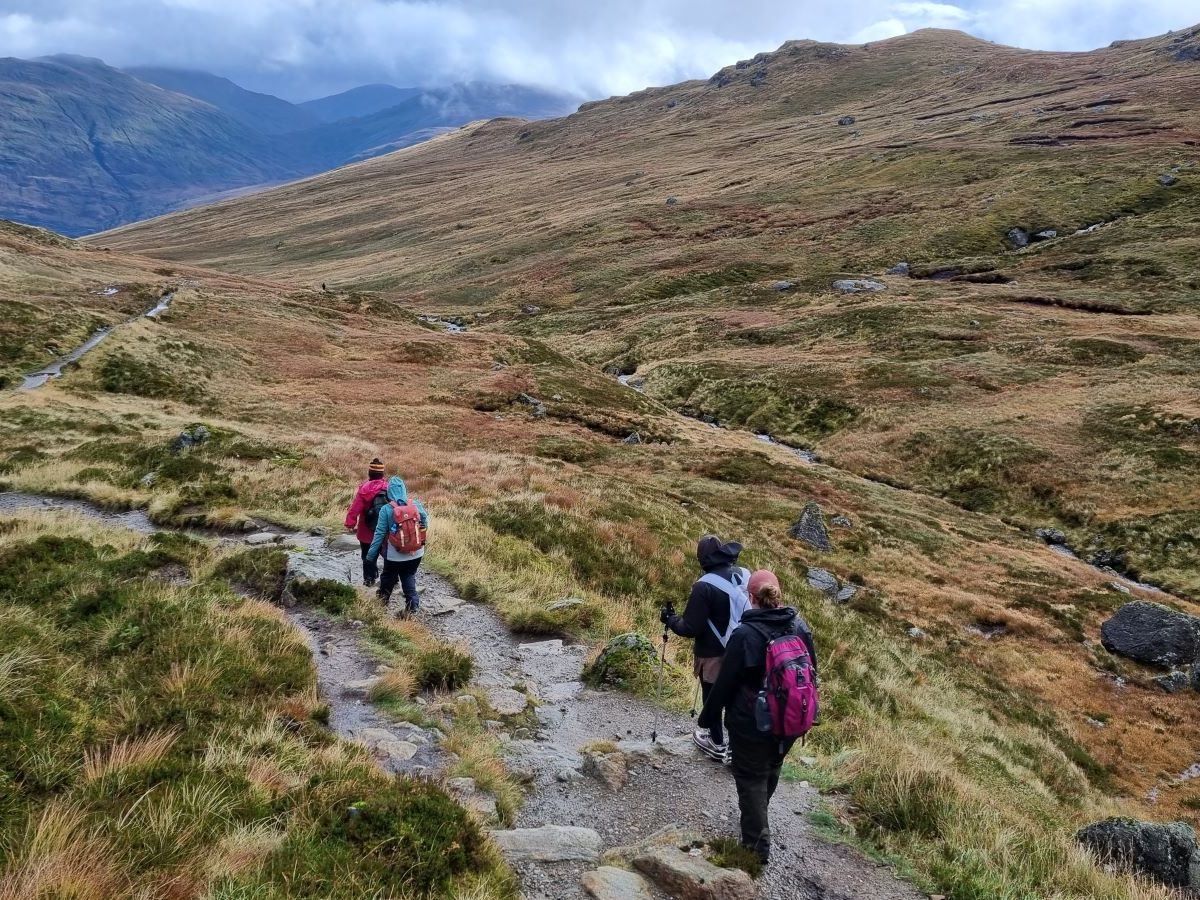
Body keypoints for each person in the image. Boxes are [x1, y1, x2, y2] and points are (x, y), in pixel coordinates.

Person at [699, 569, 818, 865]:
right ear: (778, 594)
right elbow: (812, 670)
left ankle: (755, 845)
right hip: (791, 717)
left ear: (750, 597)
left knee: (750, 775)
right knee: (772, 765)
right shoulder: (799, 626)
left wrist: (709, 716)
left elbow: (725, 682)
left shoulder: (745, 634)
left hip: (751, 719)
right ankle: (759, 816)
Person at [661, 534, 750, 761]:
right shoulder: (744, 575)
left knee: (712, 698)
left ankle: (716, 742)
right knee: (736, 699)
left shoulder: (704, 586)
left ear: (702, 559)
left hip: (714, 653)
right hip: (746, 649)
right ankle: (737, 748)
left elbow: (691, 627)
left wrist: (670, 620)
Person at [366, 475, 429, 615]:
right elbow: (425, 520)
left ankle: (381, 605)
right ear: (404, 490)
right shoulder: (416, 504)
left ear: (389, 492)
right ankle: (412, 606)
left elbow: (379, 534)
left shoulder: (386, 510)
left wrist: (371, 555)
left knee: (388, 577)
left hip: (395, 555)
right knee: (409, 575)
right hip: (416, 552)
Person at [343, 458, 388, 587]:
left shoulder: (364, 489)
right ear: (382, 474)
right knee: (386, 555)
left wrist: (350, 523)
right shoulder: (388, 487)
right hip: (384, 531)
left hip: (366, 530)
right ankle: (390, 579)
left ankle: (369, 579)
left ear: (369, 473)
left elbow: (355, 508)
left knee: (367, 555)